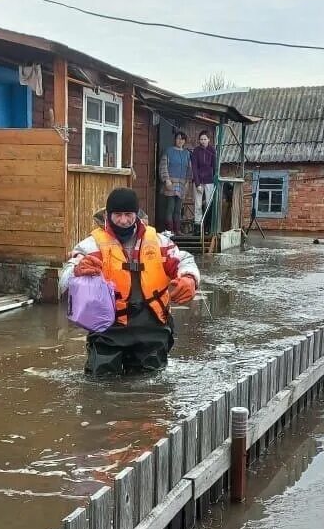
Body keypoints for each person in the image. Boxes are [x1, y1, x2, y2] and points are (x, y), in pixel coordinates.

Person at [61, 187, 200, 376]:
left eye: (128, 214)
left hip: (152, 327)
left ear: (136, 215)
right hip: (108, 327)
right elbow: (64, 280)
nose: (124, 220)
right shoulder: (90, 246)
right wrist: (76, 272)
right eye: (118, 215)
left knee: (151, 387)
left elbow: (184, 260)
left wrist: (190, 278)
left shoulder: (159, 242)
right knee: (99, 383)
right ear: (108, 215)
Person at [158, 132, 191, 234]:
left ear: (184, 141)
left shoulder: (187, 153)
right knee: (170, 207)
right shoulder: (169, 151)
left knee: (178, 208)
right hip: (171, 182)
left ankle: (177, 229)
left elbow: (189, 169)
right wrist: (166, 179)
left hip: (181, 184)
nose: (180, 141)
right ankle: (169, 230)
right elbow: (163, 166)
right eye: (178, 138)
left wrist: (187, 181)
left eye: (182, 139)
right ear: (175, 140)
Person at [191, 130, 217, 235]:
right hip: (199, 180)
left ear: (209, 140)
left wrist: (215, 180)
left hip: (209, 181)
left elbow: (214, 166)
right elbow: (194, 168)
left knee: (208, 203)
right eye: (201, 139)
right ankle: (198, 227)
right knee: (197, 204)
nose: (203, 141)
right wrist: (197, 184)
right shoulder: (196, 151)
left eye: (205, 139)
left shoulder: (212, 150)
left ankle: (207, 226)